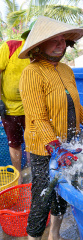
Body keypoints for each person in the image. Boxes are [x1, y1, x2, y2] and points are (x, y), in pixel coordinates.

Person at [18, 16, 83, 240]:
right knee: (42, 198)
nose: (61, 44)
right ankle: (34, 237)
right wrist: (55, 147)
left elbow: (77, 107)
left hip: (69, 145)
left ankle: (54, 236)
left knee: (61, 196)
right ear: (38, 46)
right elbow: (37, 116)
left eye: (63, 40)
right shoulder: (31, 73)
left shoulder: (66, 70)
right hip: (43, 149)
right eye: (54, 40)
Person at [0, 32, 30, 183]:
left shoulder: (42, 53)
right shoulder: (11, 47)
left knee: (33, 142)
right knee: (14, 142)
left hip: (33, 108)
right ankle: (18, 176)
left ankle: (33, 171)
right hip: (10, 109)